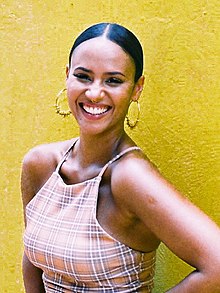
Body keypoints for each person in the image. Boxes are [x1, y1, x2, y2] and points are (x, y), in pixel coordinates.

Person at [21, 22, 220, 292]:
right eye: (83, 76)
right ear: (67, 76)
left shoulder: (130, 177)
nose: (94, 93)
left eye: (113, 80)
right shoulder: (40, 164)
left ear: (137, 88)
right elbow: (33, 263)